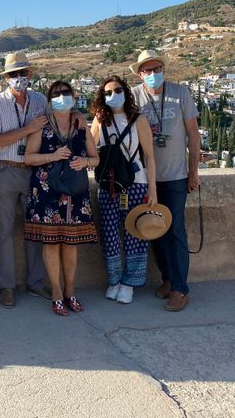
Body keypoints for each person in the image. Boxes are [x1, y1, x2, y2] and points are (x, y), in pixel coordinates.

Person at [130, 50, 200, 312]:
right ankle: (168, 279)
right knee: (154, 231)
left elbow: (193, 135)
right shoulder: (135, 96)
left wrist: (194, 172)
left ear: (163, 69)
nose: (152, 74)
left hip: (176, 175)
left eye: (156, 68)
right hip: (145, 178)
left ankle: (181, 289)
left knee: (176, 232)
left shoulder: (180, 93)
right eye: (147, 70)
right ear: (139, 74)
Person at [23, 80, 99, 316]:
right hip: (47, 193)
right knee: (51, 243)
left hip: (75, 194)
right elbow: (28, 158)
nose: (61, 96)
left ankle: (70, 291)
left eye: (66, 93)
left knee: (70, 245)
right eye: (56, 94)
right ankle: (56, 293)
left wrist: (84, 162)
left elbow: (95, 158)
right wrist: (53, 155)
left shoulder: (81, 124)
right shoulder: (41, 125)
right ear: (49, 99)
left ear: (74, 96)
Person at [0, 52, 49, 307]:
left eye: (23, 73)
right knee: (3, 231)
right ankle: (6, 286)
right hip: (5, 169)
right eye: (13, 75)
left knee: (35, 230)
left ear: (30, 75)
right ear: (6, 78)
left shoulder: (41, 100)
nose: (19, 78)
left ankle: (36, 282)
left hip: (33, 171)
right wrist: (26, 130)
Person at [90, 75, 157, 305]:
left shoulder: (138, 120)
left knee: (135, 234)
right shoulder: (100, 121)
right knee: (109, 234)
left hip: (136, 183)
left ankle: (130, 283)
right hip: (109, 185)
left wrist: (153, 189)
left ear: (125, 92)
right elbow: (90, 149)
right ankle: (114, 279)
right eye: (107, 92)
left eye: (117, 90)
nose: (113, 95)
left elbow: (149, 156)